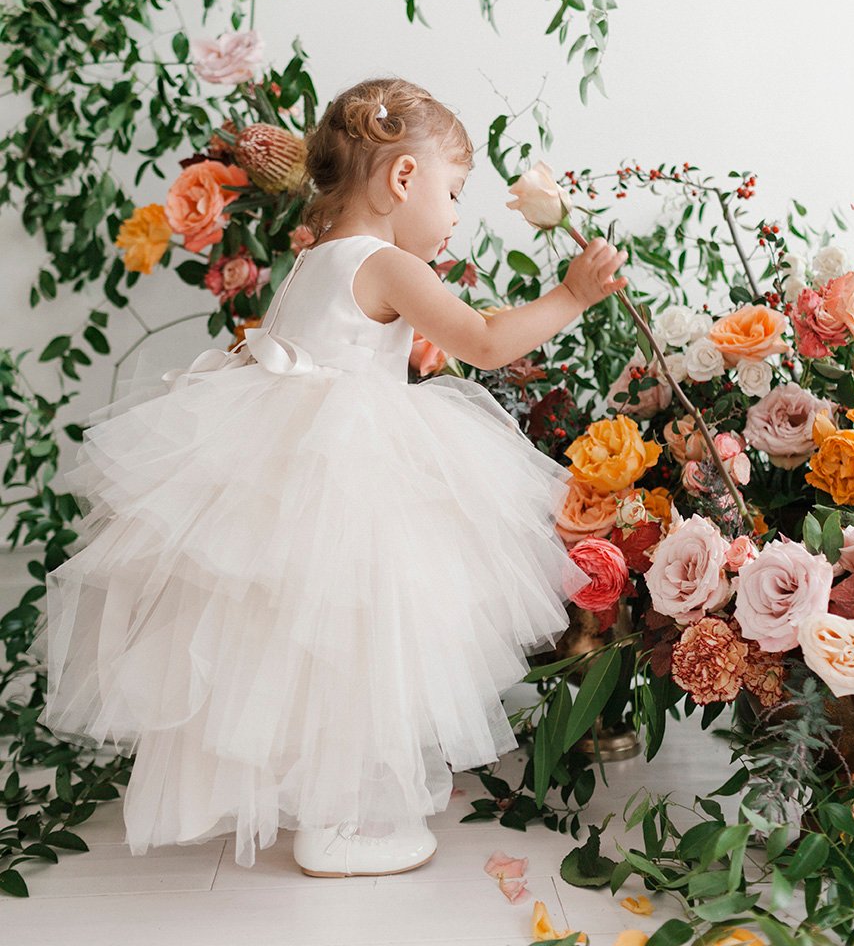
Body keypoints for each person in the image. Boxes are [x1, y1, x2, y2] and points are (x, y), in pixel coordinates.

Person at [30, 76, 628, 879]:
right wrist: (571, 295)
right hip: (351, 470)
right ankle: (338, 822)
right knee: (365, 638)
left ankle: (331, 797)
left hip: (292, 466)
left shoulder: (313, 262)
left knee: (312, 648)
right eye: (453, 194)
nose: (454, 217)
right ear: (403, 181)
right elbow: (483, 342)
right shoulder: (384, 262)